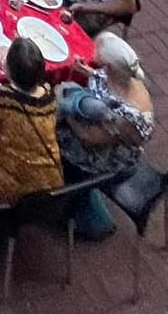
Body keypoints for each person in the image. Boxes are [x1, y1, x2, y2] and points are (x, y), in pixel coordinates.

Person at [56, 33, 154, 238]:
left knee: (49, 129)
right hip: (102, 130)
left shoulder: (127, 114)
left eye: (101, 64)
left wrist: (65, 112)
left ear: (110, 67)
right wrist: (88, 72)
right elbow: (107, 88)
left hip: (106, 157)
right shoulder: (125, 77)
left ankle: (65, 196)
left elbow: (88, 137)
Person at [0, 37, 64, 204]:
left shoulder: (1, 97)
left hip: (16, 190)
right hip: (52, 183)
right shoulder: (47, 93)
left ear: (8, 69)